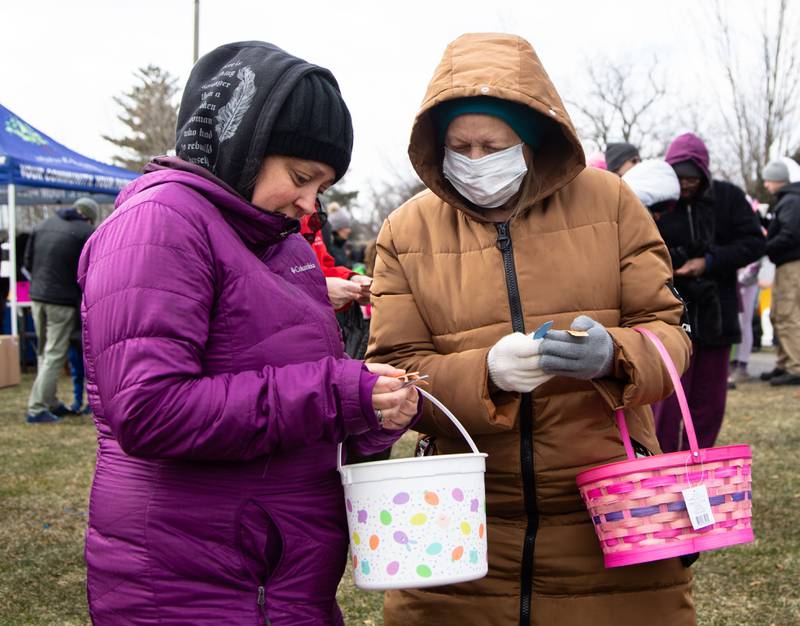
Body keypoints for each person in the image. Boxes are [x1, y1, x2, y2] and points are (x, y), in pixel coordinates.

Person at [77, 41, 419, 625]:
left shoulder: (282, 245)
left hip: (279, 577)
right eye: (300, 176)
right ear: (241, 146)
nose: (311, 204)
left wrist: (369, 416)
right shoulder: (160, 224)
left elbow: (298, 403)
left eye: (323, 186)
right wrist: (337, 393)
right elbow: (150, 409)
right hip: (195, 575)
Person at [368, 33, 695, 626]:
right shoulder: (405, 231)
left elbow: (669, 335)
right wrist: (483, 374)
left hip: (610, 512)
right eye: (457, 146)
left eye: (490, 145)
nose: (473, 160)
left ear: (532, 139)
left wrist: (615, 355)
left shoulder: (613, 203)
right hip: (462, 522)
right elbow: (395, 369)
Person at [652, 133, 765, 452]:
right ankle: (664, 464)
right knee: (668, 399)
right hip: (673, 314)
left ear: (703, 174)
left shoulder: (728, 198)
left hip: (718, 312)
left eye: (692, 178)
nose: (686, 185)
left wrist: (710, 261)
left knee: (709, 402)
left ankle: (699, 462)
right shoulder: (658, 201)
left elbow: (754, 242)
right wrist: (670, 262)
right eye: (679, 177)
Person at [22, 197, 96, 423]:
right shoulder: (86, 232)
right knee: (54, 353)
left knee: (44, 351)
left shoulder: (42, 225)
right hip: (62, 302)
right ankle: (36, 408)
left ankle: (51, 401)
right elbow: (89, 270)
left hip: (37, 296)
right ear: (89, 215)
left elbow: (27, 262)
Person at [760, 159, 800, 385]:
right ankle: (784, 363)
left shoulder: (792, 201)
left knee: (788, 314)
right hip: (785, 265)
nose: (765, 185)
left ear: (777, 179)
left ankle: (795, 367)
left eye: (767, 180)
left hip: (792, 265)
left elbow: (790, 234)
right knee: (778, 313)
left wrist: (765, 246)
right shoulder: (788, 200)